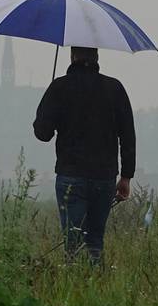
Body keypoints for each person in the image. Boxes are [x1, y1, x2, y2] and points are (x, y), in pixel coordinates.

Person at [33, 46, 136, 265]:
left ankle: (74, 284)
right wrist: (126, 176)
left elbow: (43, 134)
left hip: (71, 176)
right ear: (97, 57)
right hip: (104, 177)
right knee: (95, 241)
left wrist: (45, 112)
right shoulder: (114, 88)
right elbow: (128, 135)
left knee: (74, 242)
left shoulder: (59, 87)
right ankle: (94, 284)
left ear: (72, 57)